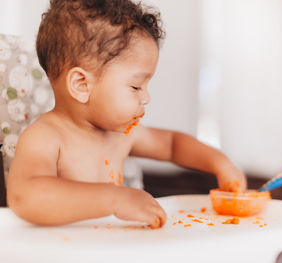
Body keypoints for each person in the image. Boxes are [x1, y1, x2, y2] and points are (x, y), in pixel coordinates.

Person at [7, 0, 246, 229]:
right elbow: (25, 196)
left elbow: (172, 144)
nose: (146, 97)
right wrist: (114, 199)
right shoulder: (46, 136)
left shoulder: (121, 133)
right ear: (81, 84)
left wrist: (219, 163)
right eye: (136, 86)